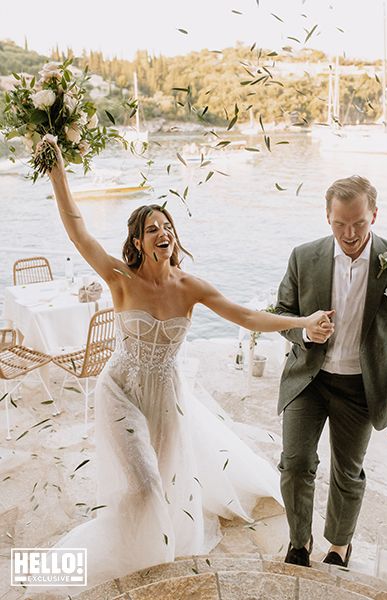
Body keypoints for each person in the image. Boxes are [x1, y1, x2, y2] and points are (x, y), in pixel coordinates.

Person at [24, 136, 333, 597]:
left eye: (165, 224)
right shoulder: (119, 277)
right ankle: (131, 556)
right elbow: (77, 231)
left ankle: (154, 551)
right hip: (121, 388)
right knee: (145, 483)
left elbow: (248, 317)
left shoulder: (191, 287)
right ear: (138, 241)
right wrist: (57, 173)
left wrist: (305, 321)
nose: (161, 231)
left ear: (174, 237)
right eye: (151, 227)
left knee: (165, 486)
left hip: (167, 395)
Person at [276, 175, 387, 569]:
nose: (349, 233)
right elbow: (280, 314)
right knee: (295, 464)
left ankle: (339, 547)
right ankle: (299, 542)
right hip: (308, 380)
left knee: (348, 472)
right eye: (339, 223)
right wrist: (305, 330)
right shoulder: (303, 256)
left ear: (374, 215)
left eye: (359, 223)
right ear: (327, 217)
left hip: (362, 388)